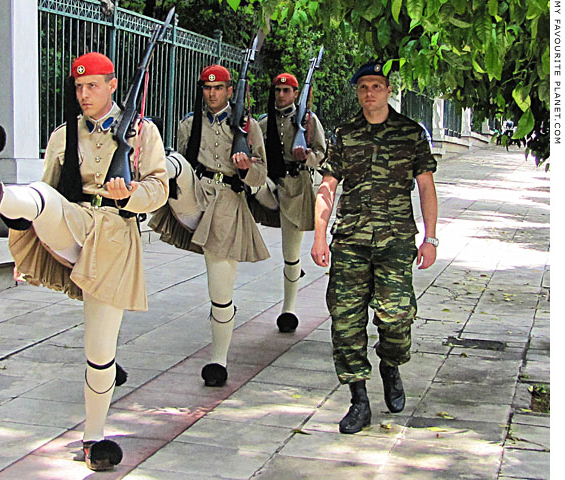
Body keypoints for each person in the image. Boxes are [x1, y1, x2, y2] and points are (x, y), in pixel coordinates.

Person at [0, 52, 168, 470]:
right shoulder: (63, 135)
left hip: (114, 239)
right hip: (73, 222)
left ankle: (94, 439)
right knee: (44, 198)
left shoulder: (143, 133)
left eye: (92, 85)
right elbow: (49, 189)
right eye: (78, 87)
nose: (84, 94)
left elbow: (160, 189)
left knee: (101, 349)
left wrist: (128, 194)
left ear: (113, 86)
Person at [311, 61, 438, 434]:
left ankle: (390, 364)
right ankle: (359, 400)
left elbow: (427, 188)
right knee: (345, 322)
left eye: (377, 86)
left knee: (397, 319)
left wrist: (430, 237)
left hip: (395, 242)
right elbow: (328, 186)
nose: (370, 93)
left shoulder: (411, 133)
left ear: (387, 90)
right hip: (350, 241)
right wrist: (320, 235)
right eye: (364, 86)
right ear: (358, 92)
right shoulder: (345, 134)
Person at [148, 64, 268, 387]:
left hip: (228, 203)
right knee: (175, 167)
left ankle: (219, 358)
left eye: (218, 88)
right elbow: (187, 161)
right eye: (207, 88)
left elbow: (260, 176)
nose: (212, 93)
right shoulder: (190, 125)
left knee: (220, 290)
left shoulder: (248, 126)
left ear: (230, 91)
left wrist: (245, 168)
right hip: (196, 194)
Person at [256, 72, 326, 333]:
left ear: (296, 94)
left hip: (296, 187)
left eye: (287, 91)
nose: (281, 95)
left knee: (291, 253)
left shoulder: (308, 121)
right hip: (271, 183)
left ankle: (289, 308)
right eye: (278, 91)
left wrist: (306, 156)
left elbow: (322, 153)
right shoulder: (265, 123)